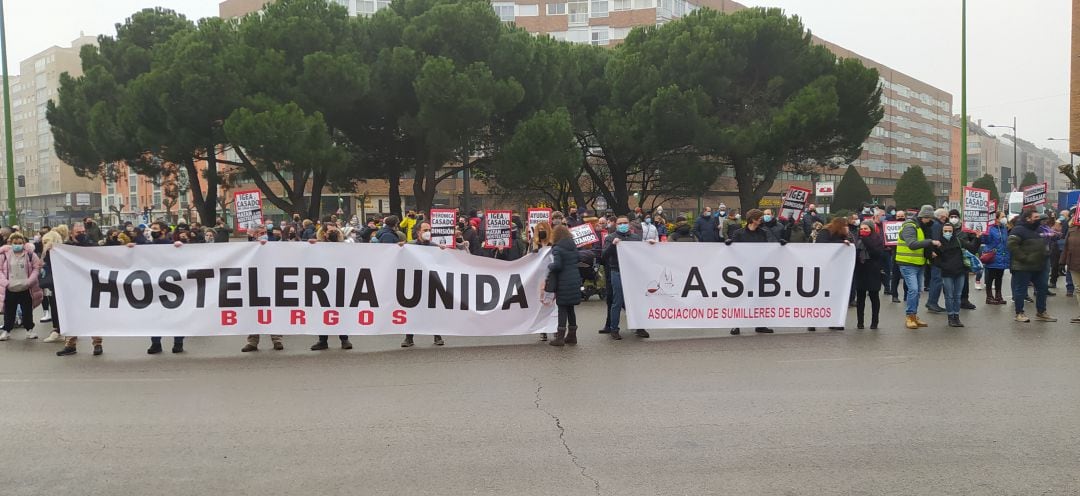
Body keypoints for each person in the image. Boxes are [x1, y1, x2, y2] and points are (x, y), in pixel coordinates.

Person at [727, 209, 784, 334]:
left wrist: (779, 245)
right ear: (752, 219)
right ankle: (736, 324)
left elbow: (766, 248)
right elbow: (734, 252)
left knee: (760, 297)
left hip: (759, 269)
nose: (761, 219)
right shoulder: (739, 233)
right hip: (743, 270)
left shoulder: (763, 233)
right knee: (741, 297)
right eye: (759, 218)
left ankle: (760, 324)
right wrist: (730, 245)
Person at [399, 222, 445, 348]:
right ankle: (409, 337)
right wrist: (400, 248)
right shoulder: (410, 245)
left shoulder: (434, 246)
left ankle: (437, 335)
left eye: (429, 230)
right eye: (425, 229)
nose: (427, 232)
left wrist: (443, 252)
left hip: (430, 283)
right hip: (414, 283)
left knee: (432, 310)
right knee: (413, 310)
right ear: (418, 232)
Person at [1007, 207, 1057, 323]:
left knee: (1042, 288)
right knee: (1021, 290)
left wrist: (1045, 252)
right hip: (1023, 266)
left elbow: (1043, 242)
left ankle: (1041, 312)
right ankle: (1019, 313)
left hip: (1039, 265)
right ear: (1028, 219)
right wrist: (1024, 258)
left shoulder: (1038, 229)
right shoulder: (1018, 230)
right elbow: (1012, 245)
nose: (1038, 219)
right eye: (1036, 217)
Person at [895, 205, 938, 329]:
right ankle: (909, 316)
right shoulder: (910, 226)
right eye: (929, 218)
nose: (931, 221)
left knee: (918, 291)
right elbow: (912, 244)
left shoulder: (922, 227)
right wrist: (930, 242)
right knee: (913, 290)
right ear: (924, 216)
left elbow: (922, 245)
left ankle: (914, 316)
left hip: (919, 263)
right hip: (907, 263)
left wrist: (930, 253)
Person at [602, 216, 643, 340]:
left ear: (629, 224)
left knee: (635, 301)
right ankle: (614, 329)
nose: (623, 225)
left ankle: (640, 327)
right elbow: (604, 256)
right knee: (617, 301)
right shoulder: (610, 238)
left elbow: (643, 253)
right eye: (620, 223)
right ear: (616, 225)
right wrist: (613, 245)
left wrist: (651, 245)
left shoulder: (636, 238)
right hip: (617, 271)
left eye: (625, 223)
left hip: (632, 272)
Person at [0, 233, 43, 342]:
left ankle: (30, 330)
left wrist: (29, 281)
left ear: (24, 243)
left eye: (20, 243)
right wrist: (6, 282)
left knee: (27, 310)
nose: (17, 245)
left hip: (26, 288)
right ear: (10, 243)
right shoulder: (4, 255)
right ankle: (7, 330)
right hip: (10, 288)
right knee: (9, 311)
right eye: (15, 243)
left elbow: (36, 268)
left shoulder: (30, 255)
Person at [545, 225, 583, 346]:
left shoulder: (557, 248)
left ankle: (560, 337)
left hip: (563, 281)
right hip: (574, 279)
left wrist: (549, 266)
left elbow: (558, 265)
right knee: (570, 308)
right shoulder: (573, 246)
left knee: (562, 308)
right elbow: (578, 259)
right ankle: (572, 335)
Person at [929, 221, 972, 327]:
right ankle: (950, 317)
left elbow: (972, 247)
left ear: (953, 232)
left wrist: (978, 238)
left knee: (957, 296)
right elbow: (932, 258)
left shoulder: (958, 240)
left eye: (950, 231)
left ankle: (956, 316)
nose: (948, 232)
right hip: (947, 273)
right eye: (945, 231)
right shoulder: (938, 243)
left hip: (960, 271)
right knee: (949, 296)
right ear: (942, 231)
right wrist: (942, 264)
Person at [813, 217, 853, 330]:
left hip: (837, 269)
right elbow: (822, 244)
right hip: (825, 267)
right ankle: (813, 322)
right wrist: (841, 242)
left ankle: (834, 321)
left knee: (835, 296)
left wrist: (847, 236)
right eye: (845, 225)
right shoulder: (825, 232)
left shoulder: (843, 234)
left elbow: (852, 244)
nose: (847, 227)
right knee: (821, 296)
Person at [853, 221, 884, 329]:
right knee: (860, 298)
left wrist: (866, 240)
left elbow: (877, 253)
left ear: (871, 229)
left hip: (873, 270)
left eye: (866, 229)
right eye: (861, 229)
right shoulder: (856, 239)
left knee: (874, 297)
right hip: (860, 270)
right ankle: (860, 322)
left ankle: (874, 321)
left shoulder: (877, 239)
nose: (863, 231)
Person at [980, 211, 1011, 305]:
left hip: (1002, 256)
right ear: (996, 218)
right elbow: (985, 240)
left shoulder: (1004, 228)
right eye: (1002, 216)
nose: (1004, 218)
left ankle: (998, 296)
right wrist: (983, 234)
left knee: (999, 277)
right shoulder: (990, 228)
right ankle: (989, 297)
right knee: (990, 278)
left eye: (1005, 216)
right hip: (992, 256)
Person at [925, 208, 949, 312]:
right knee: (937, 279)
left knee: (937, 279)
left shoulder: (936, 224)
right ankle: (932, 303)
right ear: (941, 216)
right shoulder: (936, 225)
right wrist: (933, 251)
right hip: (937, 256)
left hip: (936, 255)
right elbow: (934, 239)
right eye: (945, 216)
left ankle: (932, 302)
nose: (946, 218)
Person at [1061, 223, 1080, 322]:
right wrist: (1062, 261)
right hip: (1074, 264)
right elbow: (1066, 247)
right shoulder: (1072, 229)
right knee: (1078, 289)